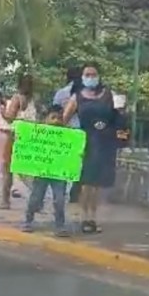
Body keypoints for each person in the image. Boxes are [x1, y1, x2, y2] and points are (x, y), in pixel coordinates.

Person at [63, 63, 119, 234]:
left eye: (94, 74)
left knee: (97, 184)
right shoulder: (76, 97)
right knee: (86, 183)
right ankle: (84, 217)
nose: (91, 77)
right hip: (85, 142)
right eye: (87, 74)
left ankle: (93, 218)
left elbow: (119, 117)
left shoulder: (109, 95)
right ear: (82, 77)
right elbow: (64, 119)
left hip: (105, 143)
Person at [22, 106, 70, 237]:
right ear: (45, 120)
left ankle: (60, 225)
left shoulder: (68, 136)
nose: (56, 121)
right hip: (41, 171)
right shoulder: (40, 134)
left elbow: (71, 153)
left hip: (59, 172)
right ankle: (28, 220)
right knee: (36, 197)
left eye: (59, 118)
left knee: (59, 199)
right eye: (53, 117)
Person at [0, 73, 37, 209]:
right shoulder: (33, 100)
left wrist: (2, 111)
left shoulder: (17, 98)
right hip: (29, 136)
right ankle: (36, 198)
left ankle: (4, 201)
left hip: (15, 136)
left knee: (7, 169)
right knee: (27, 170)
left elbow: (10, 117)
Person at [54, 66, 83, 203]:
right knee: (76, 164)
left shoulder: (61, 93)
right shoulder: (84, 94)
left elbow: (54, 111)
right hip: (78, 131)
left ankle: (62, 192)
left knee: (62, 162)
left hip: (63, 130)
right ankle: (73, 192)